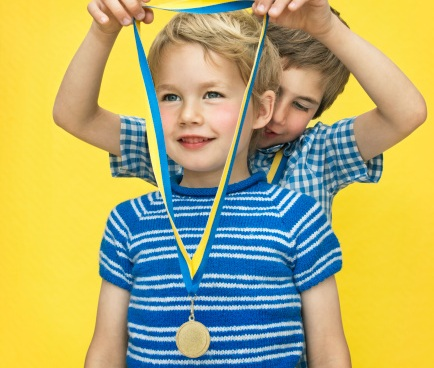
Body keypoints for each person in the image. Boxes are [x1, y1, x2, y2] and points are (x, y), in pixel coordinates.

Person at [80, 9, 351, 368]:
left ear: (261, 109)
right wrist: (105, 30)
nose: (188, 114)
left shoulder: (299, 218)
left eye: (212, 94)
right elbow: (105, 350)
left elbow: (330, 352)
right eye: (170, 97)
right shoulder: (128, 222)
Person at [53, 0, 427, 224]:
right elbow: (75, 116)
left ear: (317, 113)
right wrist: (103, 30)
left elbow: (406, 112)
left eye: (301, 105)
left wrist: (328, 28)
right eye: (272, 92)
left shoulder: (318, 155)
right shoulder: (184, 140)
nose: (276, 115)